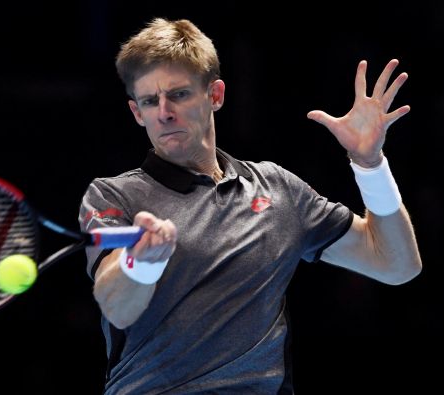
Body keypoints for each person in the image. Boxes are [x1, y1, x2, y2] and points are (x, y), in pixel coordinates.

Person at [79, 18, 422, 394]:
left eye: (179, 94)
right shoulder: (112, 197)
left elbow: (396, 264)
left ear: (215, 95)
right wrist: (140, 264)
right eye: (149, 101)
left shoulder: (278, 191)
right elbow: (116, 305)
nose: (164, 112)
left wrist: (370, 166)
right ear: (136, 113)